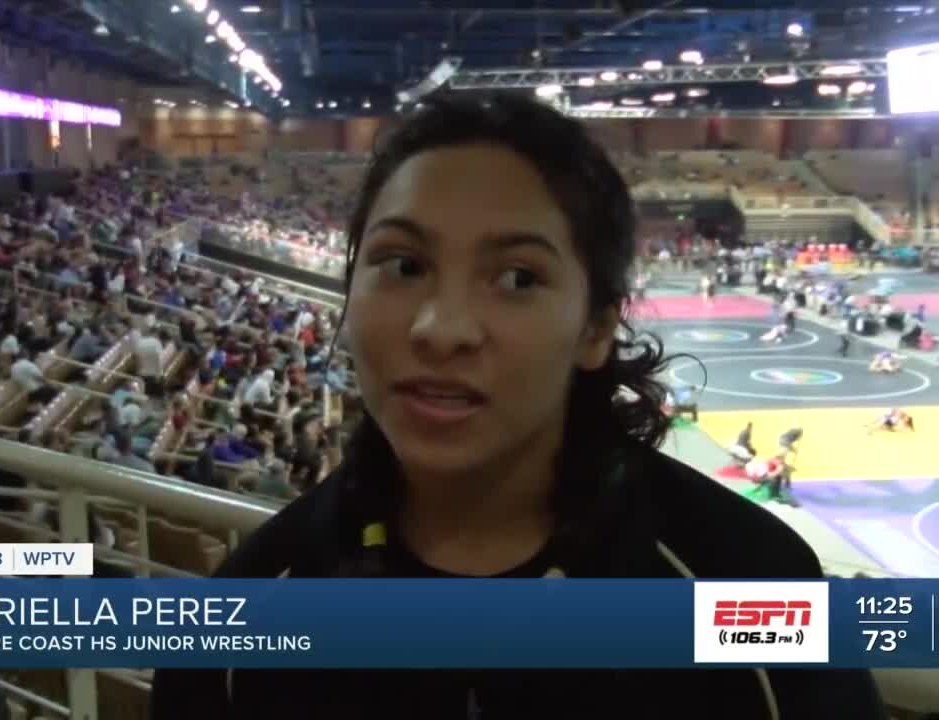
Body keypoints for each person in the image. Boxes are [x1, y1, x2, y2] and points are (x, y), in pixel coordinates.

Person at [151, 94, 883, 719]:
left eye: (517, 277)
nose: (442, 329)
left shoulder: (747, 582)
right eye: (403, 265)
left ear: (595, 326)